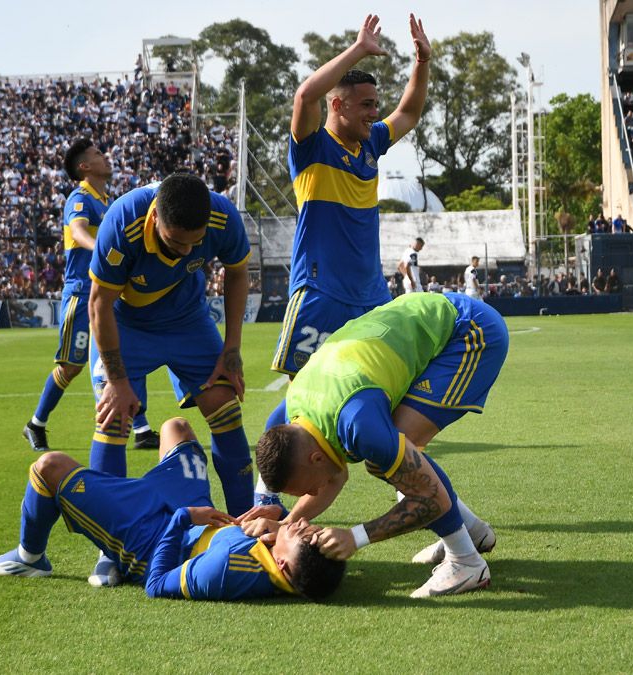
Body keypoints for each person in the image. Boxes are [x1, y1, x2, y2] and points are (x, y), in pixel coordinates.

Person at [255, 292, 507, 598]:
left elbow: (432, 498)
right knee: (390, 457)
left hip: (469, 331)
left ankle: (467, 562)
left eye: (307, 489)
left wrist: (356, 536)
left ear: (315, 457)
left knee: (393, 457)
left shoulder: (359, 424)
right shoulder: (290, 415)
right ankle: (472, 533)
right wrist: (284, 523)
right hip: (418, 324)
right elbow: (333, 476)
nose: (310, 495)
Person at [86, 172, 254, 585]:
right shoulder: (121, 221)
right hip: (125, 324)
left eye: (194, 243)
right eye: (177, 241)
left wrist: (231, 350)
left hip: (187, 319)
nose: (187, 251)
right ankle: (112, 550)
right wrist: (118, 380)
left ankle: (245, 528)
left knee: (224, 406)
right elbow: (99, 304)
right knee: (114, 418)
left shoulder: (222, 216)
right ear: (155, 215)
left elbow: (237, 273)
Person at [0, 418, 345, 601]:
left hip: (152, 536)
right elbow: (290, 549)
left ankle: (31, 556)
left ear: (282, 564)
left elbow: (155, 585)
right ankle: (118, 525)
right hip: (193, 516)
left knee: (49, 467)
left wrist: (184, 517)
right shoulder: (288, 566)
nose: (304, 528)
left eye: (304, 537)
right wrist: (276, 525)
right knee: (177, 428)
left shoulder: (224, 571)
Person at [270, 13, 431, 379]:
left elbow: (408, 112)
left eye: (376, 105)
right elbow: (305, 95)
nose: (375, 114)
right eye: (366, 105)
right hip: (321, 290)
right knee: (306, 391)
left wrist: (422, 62)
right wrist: (358, 50)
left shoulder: (371, 143)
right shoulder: (312, 146)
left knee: (381, 385)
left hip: (371, 294)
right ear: (338, 106)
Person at [22, 139, 157, 453]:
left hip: (109, 292)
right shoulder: (80, 198)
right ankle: (35, 424)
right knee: (71, 366)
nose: (105, 157)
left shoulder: (107, 201)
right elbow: (79, 230)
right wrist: (101, 247)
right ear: (84, 167)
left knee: (124, 351)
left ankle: (142, 428)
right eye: (97, 154)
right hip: (82, 293)